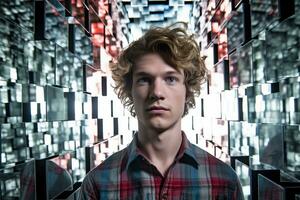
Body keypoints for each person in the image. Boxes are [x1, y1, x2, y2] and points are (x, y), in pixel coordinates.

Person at [78, 22, 244, 200]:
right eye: (144, 80)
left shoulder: (225, 182)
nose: (157, 92)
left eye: (170, 79)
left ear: (187, 90)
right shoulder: (97, 185)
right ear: (130, 91)